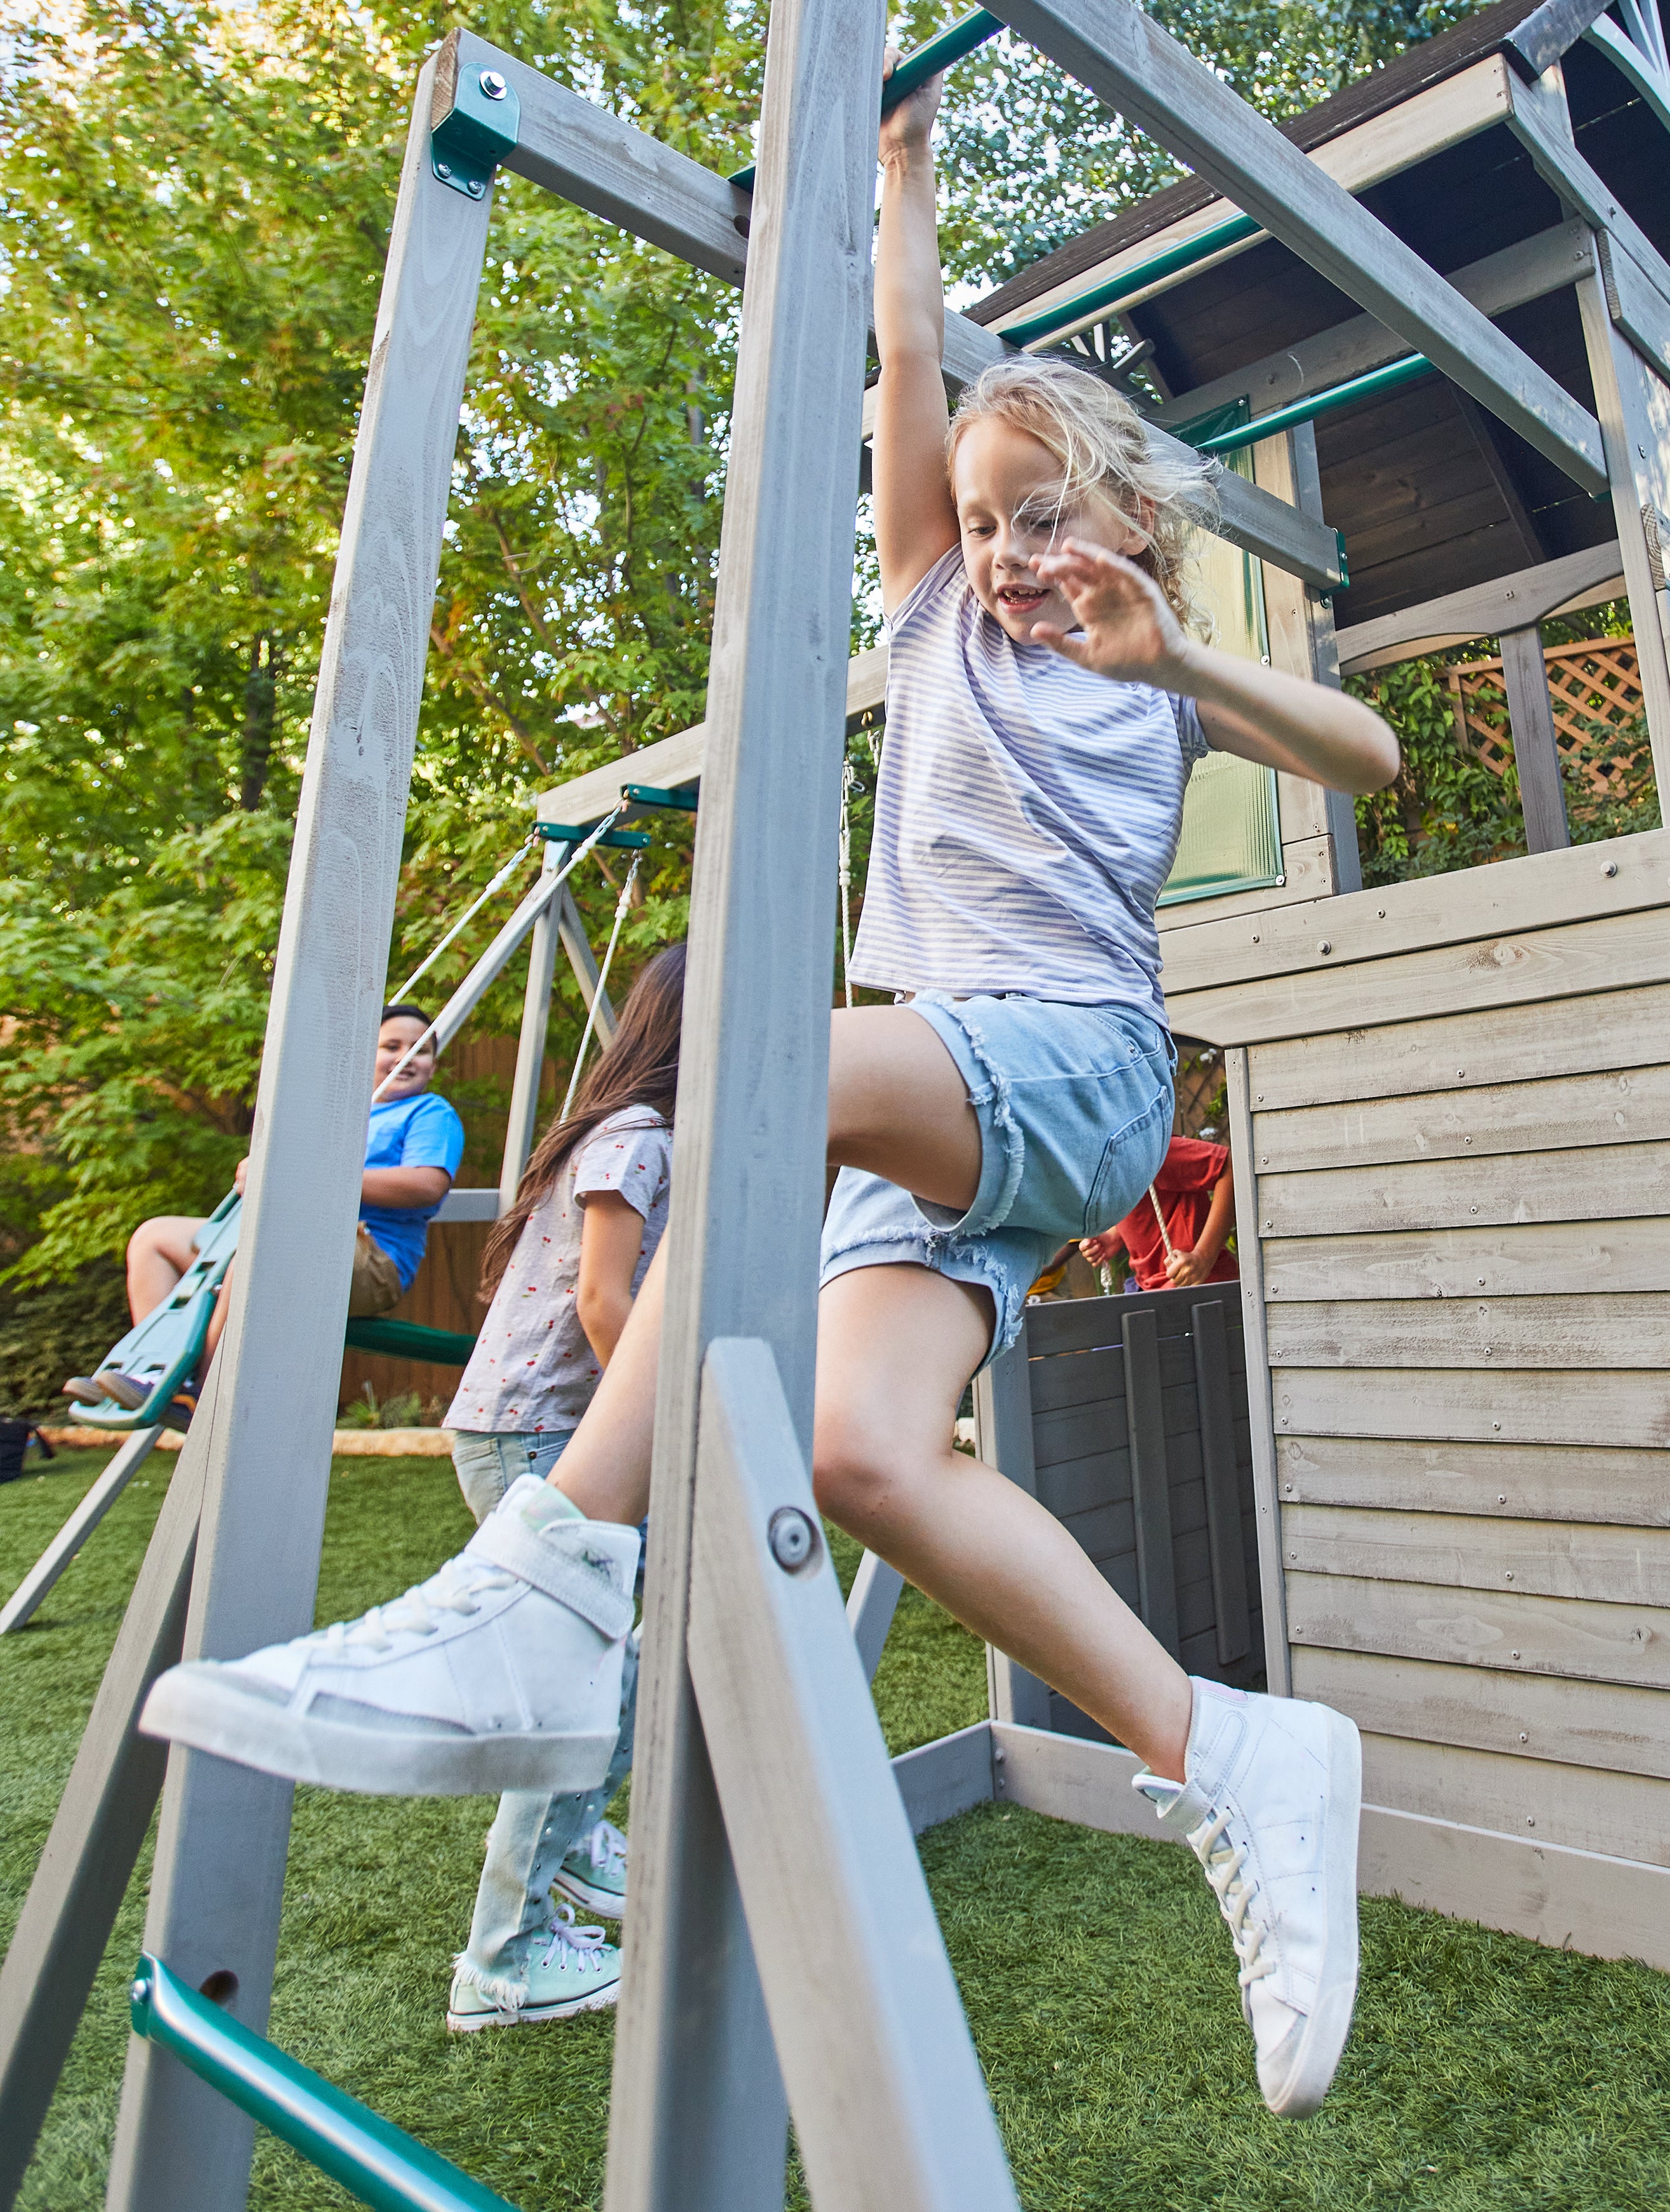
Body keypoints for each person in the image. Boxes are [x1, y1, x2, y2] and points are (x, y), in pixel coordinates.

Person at [142, 54, 1401, 2122]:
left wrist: (1173, 652)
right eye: (979, 519)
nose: (1000, 550)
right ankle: (1229, 1748)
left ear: (1125, 525)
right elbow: (902, 351)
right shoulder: (936, 621)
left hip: (1069, 1067)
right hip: (940, 1114)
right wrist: (894, 165)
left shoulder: (1142, 687)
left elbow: (1367, 765)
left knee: (758, 1066)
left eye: (1040, 518)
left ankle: (551, 1582)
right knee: (861, 1451)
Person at [438, 939, 686, 2033]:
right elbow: (601, 1302)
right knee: (583, 1682)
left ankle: (576, 1849)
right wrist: (680, 1415)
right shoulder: (636, 1138)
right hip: (535, 1433)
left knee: (617, 1662)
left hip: (546, 1430)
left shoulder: (641, 1136)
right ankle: (502, 1958)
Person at [70, 1005, 462, 1410]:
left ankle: (202, 1393)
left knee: (256, 1255)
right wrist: (256, 1171)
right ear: (366, 1054)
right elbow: (280, 1170)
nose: (404, 1058)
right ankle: (155, 1368)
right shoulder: (338, 1114)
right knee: (153, 1237)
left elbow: (427, 1185)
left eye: (419, 1050)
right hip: (298, 1241)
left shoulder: (430, 1112)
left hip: (371, 1260)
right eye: (391, 1046)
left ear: (433, 1066)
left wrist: (311, 1176)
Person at [1082, 1133, 1238, 1292]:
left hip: (1198, 1288)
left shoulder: (1147, 1153)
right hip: (1149, 1287)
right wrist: (1114, 1236)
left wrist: (1204, 1257)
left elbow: (1230, 1167)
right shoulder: (1101, 1165)